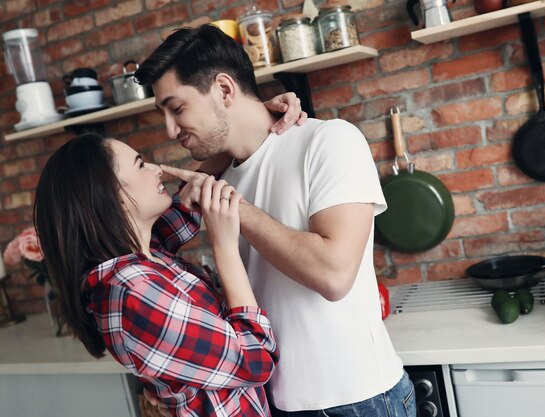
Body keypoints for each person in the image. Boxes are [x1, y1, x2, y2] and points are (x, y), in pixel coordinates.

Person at [134, 24, 414, 417]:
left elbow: (333, 275)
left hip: (355, 401)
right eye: (163, 112)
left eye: (177, 108)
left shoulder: (330, 141)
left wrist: (237, 207)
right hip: (269, 402)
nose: (170, 129)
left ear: (225, 90)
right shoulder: (218, 176)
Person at [33, 133, 280, 417]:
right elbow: (256, 359)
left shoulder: (146, 256)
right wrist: (224, 247)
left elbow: (189, 204)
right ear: (111, 196)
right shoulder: (133, 293)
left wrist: (261, 123)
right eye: (140, 165)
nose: (157, 169)